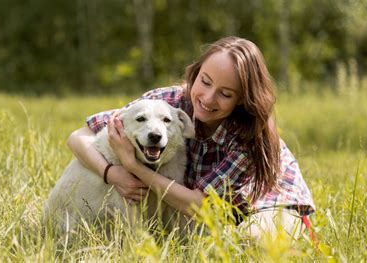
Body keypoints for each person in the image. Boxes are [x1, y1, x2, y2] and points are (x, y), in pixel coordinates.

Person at [68, 36, 315, 241]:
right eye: (205, 82)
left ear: (241, 99)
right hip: (210, 210)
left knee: (252, 241)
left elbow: (198, 206)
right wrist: (111, 173)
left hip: (266, 204)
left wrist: (132, 167)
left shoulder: (248, 135)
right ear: (195, 75)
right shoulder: (169, 103)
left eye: (225, 94)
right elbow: (79, 137)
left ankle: (296, 232)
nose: (207, 98)